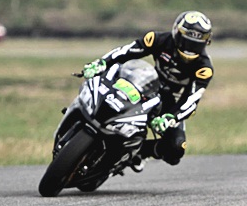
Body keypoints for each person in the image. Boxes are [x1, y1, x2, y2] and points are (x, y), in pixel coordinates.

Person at [82, 10, 214, 170]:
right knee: (109, 91)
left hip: (171, 103)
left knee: (176, 149)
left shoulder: (204, 68)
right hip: (146, 85)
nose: (189, 49)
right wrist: (102, 63)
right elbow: (127, 51)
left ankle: (139, 153)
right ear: (176, 33)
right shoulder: (158, 39)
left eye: (196, 45)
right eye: (186, 42)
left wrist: (172, 117)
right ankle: (84, 115)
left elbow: (192, 100)